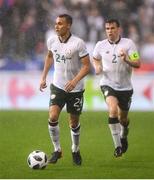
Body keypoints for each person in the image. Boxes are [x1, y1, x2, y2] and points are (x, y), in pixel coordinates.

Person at [39, 14, 90, 165]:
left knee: (73, 123)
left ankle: (75, 149)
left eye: (60, 24)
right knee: (53, 116)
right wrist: (43, 77)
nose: (56, 26)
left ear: (68, 26)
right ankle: (57, 150)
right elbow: (49, 57)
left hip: (75, 89)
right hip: (58, 86)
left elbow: (87, 66)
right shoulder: (52, 40)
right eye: (56, 23)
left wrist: (74, 81)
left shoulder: (78, 43)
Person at [92, 19, 141, 157]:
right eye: (107, 28)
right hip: (108, 83)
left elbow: (137, 63)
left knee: (123, 119)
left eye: (112, 28)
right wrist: (97, 67)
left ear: (118, 29)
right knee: (112, 110)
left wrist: (126, 59)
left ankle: (124, 134)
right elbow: (95, 58)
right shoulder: (100, 45)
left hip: (125, 88)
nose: (110, 31)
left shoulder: (128, 44)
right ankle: (118, 146)